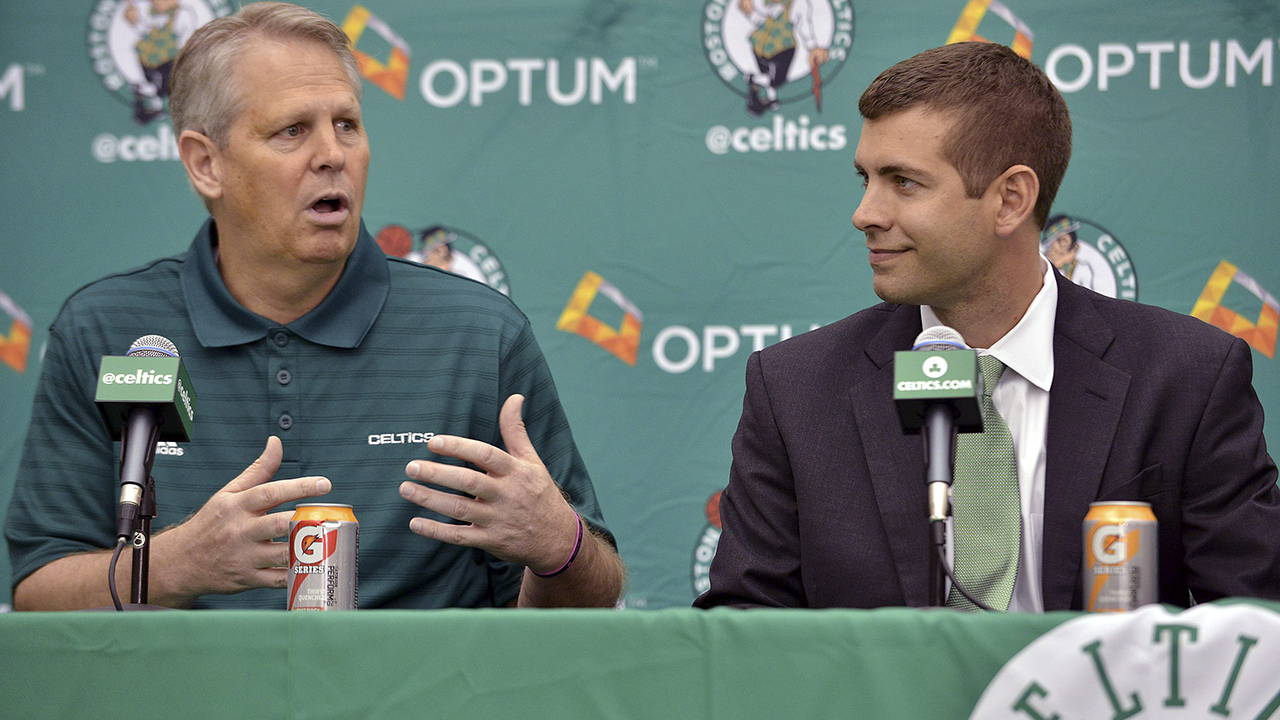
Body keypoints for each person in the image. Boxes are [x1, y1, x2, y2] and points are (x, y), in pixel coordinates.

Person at [6, 2, 624, 611]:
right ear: (205, 164)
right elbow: (39, 592)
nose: (333, 154)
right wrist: (173, 566)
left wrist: (560, 546)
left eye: (347, 125)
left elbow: (593, 601)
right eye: (292, 130)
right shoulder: (108, 331)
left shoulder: (478, 336)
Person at [695, 42, 1280, 611]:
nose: (865, 214)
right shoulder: (795, 388)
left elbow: (1257, 624)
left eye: (903, 182)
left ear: (1010, 199)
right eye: (864, 179)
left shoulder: (1186, 377)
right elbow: (742, 631)